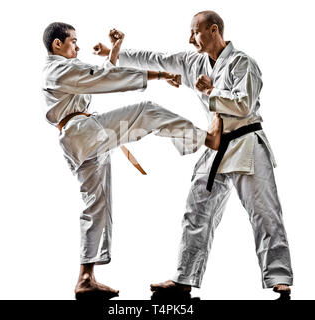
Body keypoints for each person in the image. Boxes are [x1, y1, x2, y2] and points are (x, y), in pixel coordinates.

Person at [94, 10, 293, 299]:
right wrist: (117, 51)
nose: (190, 39)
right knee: (196, 211)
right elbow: (157, 59)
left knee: (264, 213)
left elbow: (245, 105)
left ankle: (280, 276)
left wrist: (213, 91)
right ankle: (184, 278)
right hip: (216, 145)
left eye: (195, 32)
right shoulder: (194, 62)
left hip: (247, 143)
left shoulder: (242, 63)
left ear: (214, 30)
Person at [42, 22, 222, 300]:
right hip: (83, 133)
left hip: (78, 140)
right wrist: (160, 75)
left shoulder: (65, 71)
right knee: (146, 111)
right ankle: (205, 139)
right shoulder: (58, 68)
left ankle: (85, 278)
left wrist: (115, 49)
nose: (77, 46)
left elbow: (101, 75)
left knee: (95, 205)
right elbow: (104, 79)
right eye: (73, 41)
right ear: (57, 44)